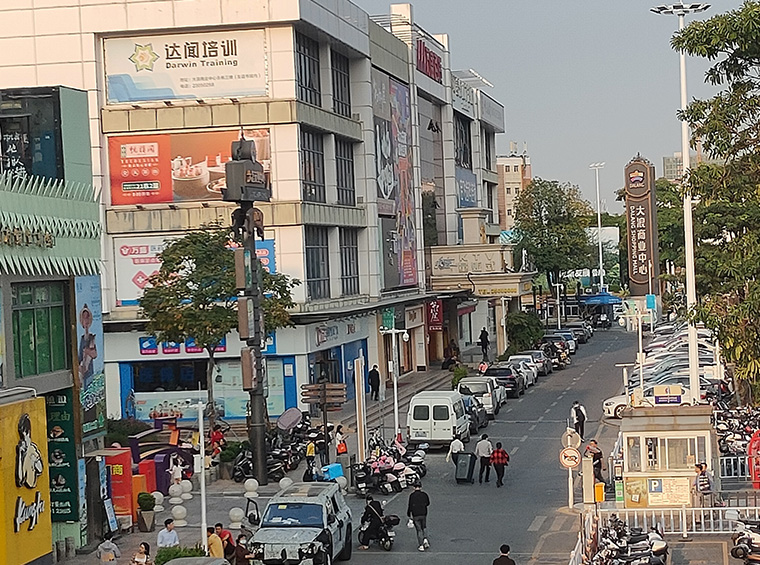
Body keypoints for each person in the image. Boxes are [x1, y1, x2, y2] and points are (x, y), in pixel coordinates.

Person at [407, 483, 430, 552]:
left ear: (414, 487)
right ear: (420, 487)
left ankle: (421, 545)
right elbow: (428, 503)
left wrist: (409, 514)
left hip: (415, 514)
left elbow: (410, 505)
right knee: (424, 527)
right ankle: (425, 539)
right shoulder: (424, 494)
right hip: (423, 513)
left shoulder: (412, 496)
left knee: (419, 530)